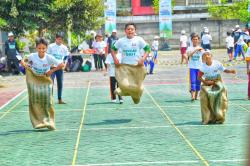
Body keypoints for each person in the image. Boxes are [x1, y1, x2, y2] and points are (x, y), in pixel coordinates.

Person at [20, 38, 64, 130]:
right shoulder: (32, 56)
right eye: (39, 48)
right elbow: (24, 59)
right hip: (34, 79)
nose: (41, 50)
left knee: (48, 102)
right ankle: (38, 123)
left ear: (46, 48)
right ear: (36, 48)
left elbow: (62, 65)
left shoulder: (49, 57)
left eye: (43, 48)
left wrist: (52, 71)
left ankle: (50, 122)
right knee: (35, 101)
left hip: (45, 79)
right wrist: (23, 63)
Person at [111, 22, 150, 104]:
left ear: (135, 30)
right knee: (125, 85)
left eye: (132, 29)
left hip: (137, 67)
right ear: (125, 31)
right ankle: (123, 90)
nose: (130, 31)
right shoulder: (121, 41)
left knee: (139, 88)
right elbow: (113, 49)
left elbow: (148, 49)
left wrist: (143, 59)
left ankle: (135, 97)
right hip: (125, 67)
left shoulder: (139, 39)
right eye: (128, 29)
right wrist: (115, 59)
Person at [198, 50, 236, 124]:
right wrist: (206, 82)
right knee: (204, 99)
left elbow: (224, 70)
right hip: (207, 83)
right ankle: (207, 119)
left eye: (208, 54)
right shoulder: (202, 67)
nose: (206, 56)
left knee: (221, 99)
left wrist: (231, 71)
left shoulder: (217, 63)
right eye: (205, 55)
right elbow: (199, 77)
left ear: (211, 56)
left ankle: (220, 118)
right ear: (203, 58)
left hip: (218, 82)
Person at [47, 33, 69, 104]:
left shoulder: (64, 47)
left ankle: (60, 99)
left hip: (60, 68)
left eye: (61, 39)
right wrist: (50, 64)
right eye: (59, 39)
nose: (60, 40)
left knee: (60, 83)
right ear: (55, 39)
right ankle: (50, 99)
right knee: (51, 83)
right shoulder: (51, 46)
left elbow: (66, 57)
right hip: (52, 68)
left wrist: (64, 64)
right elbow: (47, 55)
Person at [187, 33, 203, 101]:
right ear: (191, 40)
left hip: (199, 68)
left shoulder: (201, 48)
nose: (195, 40)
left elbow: (205, 56)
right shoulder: (189, 48)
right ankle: (192, 96)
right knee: (193, 82)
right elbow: (189, 55)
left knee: (198, 83)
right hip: (192, 68)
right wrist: (196, 50)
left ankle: (196, 96)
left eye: (196, 39)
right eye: (194, 39)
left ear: (198, 40)